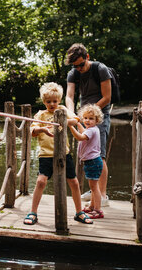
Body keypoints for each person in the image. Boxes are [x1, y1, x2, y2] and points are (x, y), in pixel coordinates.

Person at [23, 82, 93, 225]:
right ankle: (33, 212)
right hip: (46, 155)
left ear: (59, 100)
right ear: (44, 102)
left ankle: (79, 212)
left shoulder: (62, 109)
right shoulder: (41, 115)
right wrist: (43, 130)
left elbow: (76, 120)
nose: (52, 104)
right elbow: (33, 131)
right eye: (48, 102)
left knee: (73, 182)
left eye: (55, 101)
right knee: (41, 182)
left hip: (64, 154)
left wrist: (63, 121)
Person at [65, 43, 111, 206]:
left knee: (99, 155)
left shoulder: (101, 69)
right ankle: (93, 190)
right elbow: (69, 97)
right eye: (75, 66)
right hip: (83, 115)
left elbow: (107, 97)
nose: (79, 68)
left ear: (87, 57)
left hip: (99, 115)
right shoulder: (73, 73)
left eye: (81, 64)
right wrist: (72, 114)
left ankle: (103, 195)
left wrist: (90, 114)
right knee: (86, 151)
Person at [69, 104, 105, 219]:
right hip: (94, 161)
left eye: (91, 118)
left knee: (94, 187)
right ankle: (92, 206)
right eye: (85, 118)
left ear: (97, 120)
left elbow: (80, 137)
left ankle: (98, 210)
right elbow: (83, 131)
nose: (87, 121)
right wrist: (78, 123)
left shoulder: (91, 131)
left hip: (92, 162)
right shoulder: (92, 129)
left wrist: (70, 127)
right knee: (93, 186)